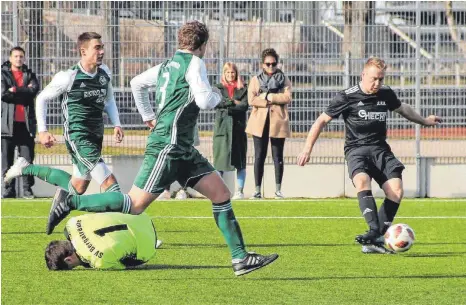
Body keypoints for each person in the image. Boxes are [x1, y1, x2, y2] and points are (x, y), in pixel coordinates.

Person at [45, 21, 278, 276]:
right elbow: (203, 99)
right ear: (203, 45)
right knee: (133, 204)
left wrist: (147, 115)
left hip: (183, 148)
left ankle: (240, 259)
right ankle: (72, 200)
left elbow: (136, 83)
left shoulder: (168, 65)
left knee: (221, 194)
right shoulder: (195, 63)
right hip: (168, 146)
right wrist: (217, 96)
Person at [297, 57, 442, 254]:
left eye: (381, 79)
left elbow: (402, 109)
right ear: (363, 75)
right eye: (374, 79)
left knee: (396, 190)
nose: (377, 84)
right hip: (356, 150)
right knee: (362, 181)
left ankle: (374, 239)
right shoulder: (346, 97)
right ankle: (375, 232)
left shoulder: (385, 93)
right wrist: (307, 148)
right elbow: (321, 121)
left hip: (380, 150)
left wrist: (424, 121)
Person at [4, 32, 124, 195]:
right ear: (83, 51)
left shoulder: (104, 73)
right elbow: (41, 99)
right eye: (97, 48)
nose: (102, 51)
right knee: (112, 186)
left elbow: (108, 100)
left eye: (102, 47)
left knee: (77, 188)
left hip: (96, 135)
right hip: (78, 136)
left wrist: (116, 123)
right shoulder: (68, 77)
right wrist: (43, 131)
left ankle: (26, 168)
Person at [245, 48, 292, 199]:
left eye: (274, 64)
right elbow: (251, 100)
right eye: (268, 64)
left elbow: (287, 97)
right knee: (259, 155)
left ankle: (278, 190)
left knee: (278, 156)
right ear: (262, 65)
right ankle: (257, 190)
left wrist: (270, 96)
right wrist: (266, 101)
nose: (271, 67)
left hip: (277, 122)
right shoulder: (255, 79)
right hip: (260, 122)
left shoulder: (283, 79)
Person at [45, 212, 158, 270]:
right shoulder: (72, 222)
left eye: (71, 267)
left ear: (68, 260)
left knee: (123, 261)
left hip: (149, 242)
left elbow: (123, 267)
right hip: (141, 215)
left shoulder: (99, 261)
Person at [1, 46, 39, 199]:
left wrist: (15, 90)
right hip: (7, 125)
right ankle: (8, 190)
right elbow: (3, 95)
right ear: (10, 58)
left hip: (26, 125)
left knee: (27, 160)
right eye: (16, 56)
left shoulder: (30, 75)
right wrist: (24, 91)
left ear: (24, 58)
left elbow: (34, 92)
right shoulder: (2, 74)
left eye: (21, 56)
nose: (18, 59)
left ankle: (27, 190)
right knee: (7, 161)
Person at [213, 62, 248, 200]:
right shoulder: (217, 88)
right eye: (227, 72)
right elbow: (217, 103)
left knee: (240, 161)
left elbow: (244, 106)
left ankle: (239, 191)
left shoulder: (243, 88)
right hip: (222, 130)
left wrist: (228, 103)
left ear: (236, 73)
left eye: (232, 72)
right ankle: (218, 191)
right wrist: (233, 102)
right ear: (224, 73)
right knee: (219, 162)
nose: (230, 75)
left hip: (238, 129)